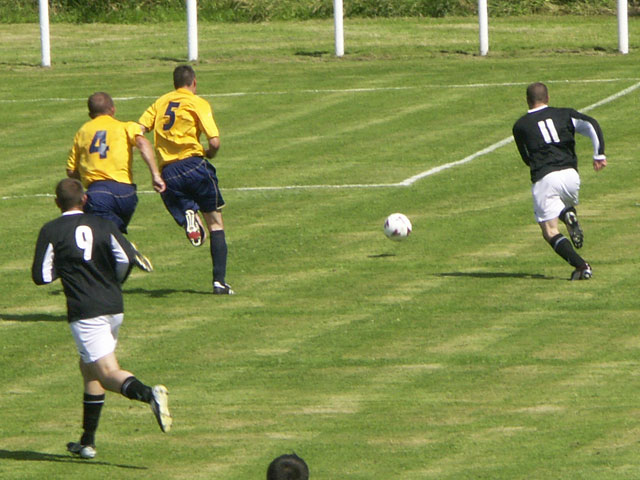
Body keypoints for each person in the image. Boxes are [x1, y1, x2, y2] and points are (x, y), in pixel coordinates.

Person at [31, 178, 172, 460]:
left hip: (85, 311)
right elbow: (126, 258)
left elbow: (42, 276)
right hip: (113, 305)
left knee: (107, 373)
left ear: (57, 203)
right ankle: (87, 441)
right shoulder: (104, 224)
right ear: (84, 200)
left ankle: (149, 395)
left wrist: (66, 267)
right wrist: (111, 281)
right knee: (89, 368)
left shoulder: (51, 230)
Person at [138, 65, 233, 295]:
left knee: (187, 208)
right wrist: (209, 154)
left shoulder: (160, 103)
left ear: (174, 84)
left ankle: (189, 213)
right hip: (194, 166)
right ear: (194, 82)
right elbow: (214, 141)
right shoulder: (197, 102)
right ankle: (219, 283)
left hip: (169, 172)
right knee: (215, 224)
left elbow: (139, 130)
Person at [512, 82, 607, 280]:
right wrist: (599, 154)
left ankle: (582, 266)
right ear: (547, 98)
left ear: (527, 101)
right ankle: (567, 214)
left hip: (546, 177)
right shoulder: (565, 114)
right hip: (571, 176)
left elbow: (526, 158)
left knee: (549, 230)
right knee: (561, 203)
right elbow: (591, 124)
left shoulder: (520, 126)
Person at [67, 92, 166, 234]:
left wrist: (85, 175)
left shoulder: (83, 131)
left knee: (104, 237)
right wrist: (155, 174)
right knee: (111, 236)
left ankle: (124, 245)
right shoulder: (126, 127)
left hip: (98, 194)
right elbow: (143, 143)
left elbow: (71, 170)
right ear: (113, 109)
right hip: (126, 194)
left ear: (90, 114)